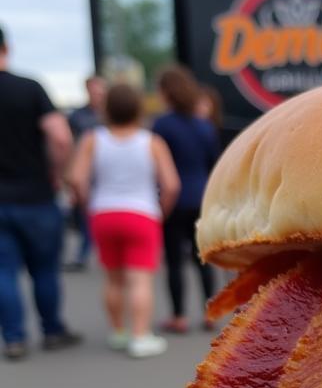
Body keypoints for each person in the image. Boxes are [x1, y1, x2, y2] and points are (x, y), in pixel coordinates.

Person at [68, 83, 180, 358]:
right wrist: (161, 211)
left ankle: (118, 331)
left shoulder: (93, 139)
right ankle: (140, 336)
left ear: (106, 109)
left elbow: (76, 178)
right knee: (139, 280)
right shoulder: (152, 142)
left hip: (104, 212)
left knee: (113, 279)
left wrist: (87, 205)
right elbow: (171, 185)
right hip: (141, 213)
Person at [0, 24, 80, 361]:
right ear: (7, 47)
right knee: (44, 269)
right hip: (36, 196)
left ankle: (15, 338)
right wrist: (56, 173)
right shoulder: (29, 88)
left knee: (3, 272)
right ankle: (52, 330)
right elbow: (60, 137)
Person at [153, 65, 219, 333]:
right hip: (201, 197)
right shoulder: (204, 126)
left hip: (173, 198)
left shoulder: (161, 125)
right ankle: (210, 312)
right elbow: (214, 163)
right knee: (202, 258)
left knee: (174, 261)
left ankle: (179, 315)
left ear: (167, 92)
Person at [65, 74, 107, 270]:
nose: (97, 94)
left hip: (107, 171)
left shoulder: (111, 114)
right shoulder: (77, 116)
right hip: (86, 171)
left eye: (100, 90)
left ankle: (109, 252)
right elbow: (69, 146)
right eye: (93, 90)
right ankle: (83, 253)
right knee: (85, 214)